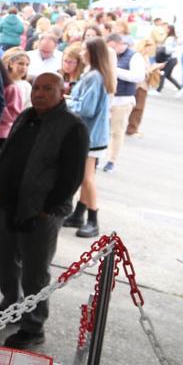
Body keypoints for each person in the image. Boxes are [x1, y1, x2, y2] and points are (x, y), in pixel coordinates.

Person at [0, 73, 89, 349]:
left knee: (35, 272)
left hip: (42, 212)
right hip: (8, 204)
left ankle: (33, 325)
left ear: (62, 92)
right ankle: (10, 306)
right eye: (36, 88)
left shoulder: (72, 126)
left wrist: (47, 209)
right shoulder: (27, 115)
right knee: (6, 260)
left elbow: (72, 176)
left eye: (47, 89)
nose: (39, 93)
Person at [64, 38, 115, 239]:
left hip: (90, 136)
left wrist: (66, 102)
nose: (82, 52)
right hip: (94, 134)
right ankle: (79, 214)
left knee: (87, 179)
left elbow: (87, 108)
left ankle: (93, 220)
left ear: (93, 53)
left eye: (85, 49)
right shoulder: (97, 74)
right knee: (87, 177)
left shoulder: (94, 76)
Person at [104, 32, 146, 172]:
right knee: (104, 130)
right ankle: (100, 156)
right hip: (107, 97)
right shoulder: (109, 55)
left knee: (117, 132)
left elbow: (138, 77)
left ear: (121, 44)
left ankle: (111, 160)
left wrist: (114, 70)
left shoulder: (134, 56)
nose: (111, 51)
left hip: (123, 99)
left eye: (113, 47)